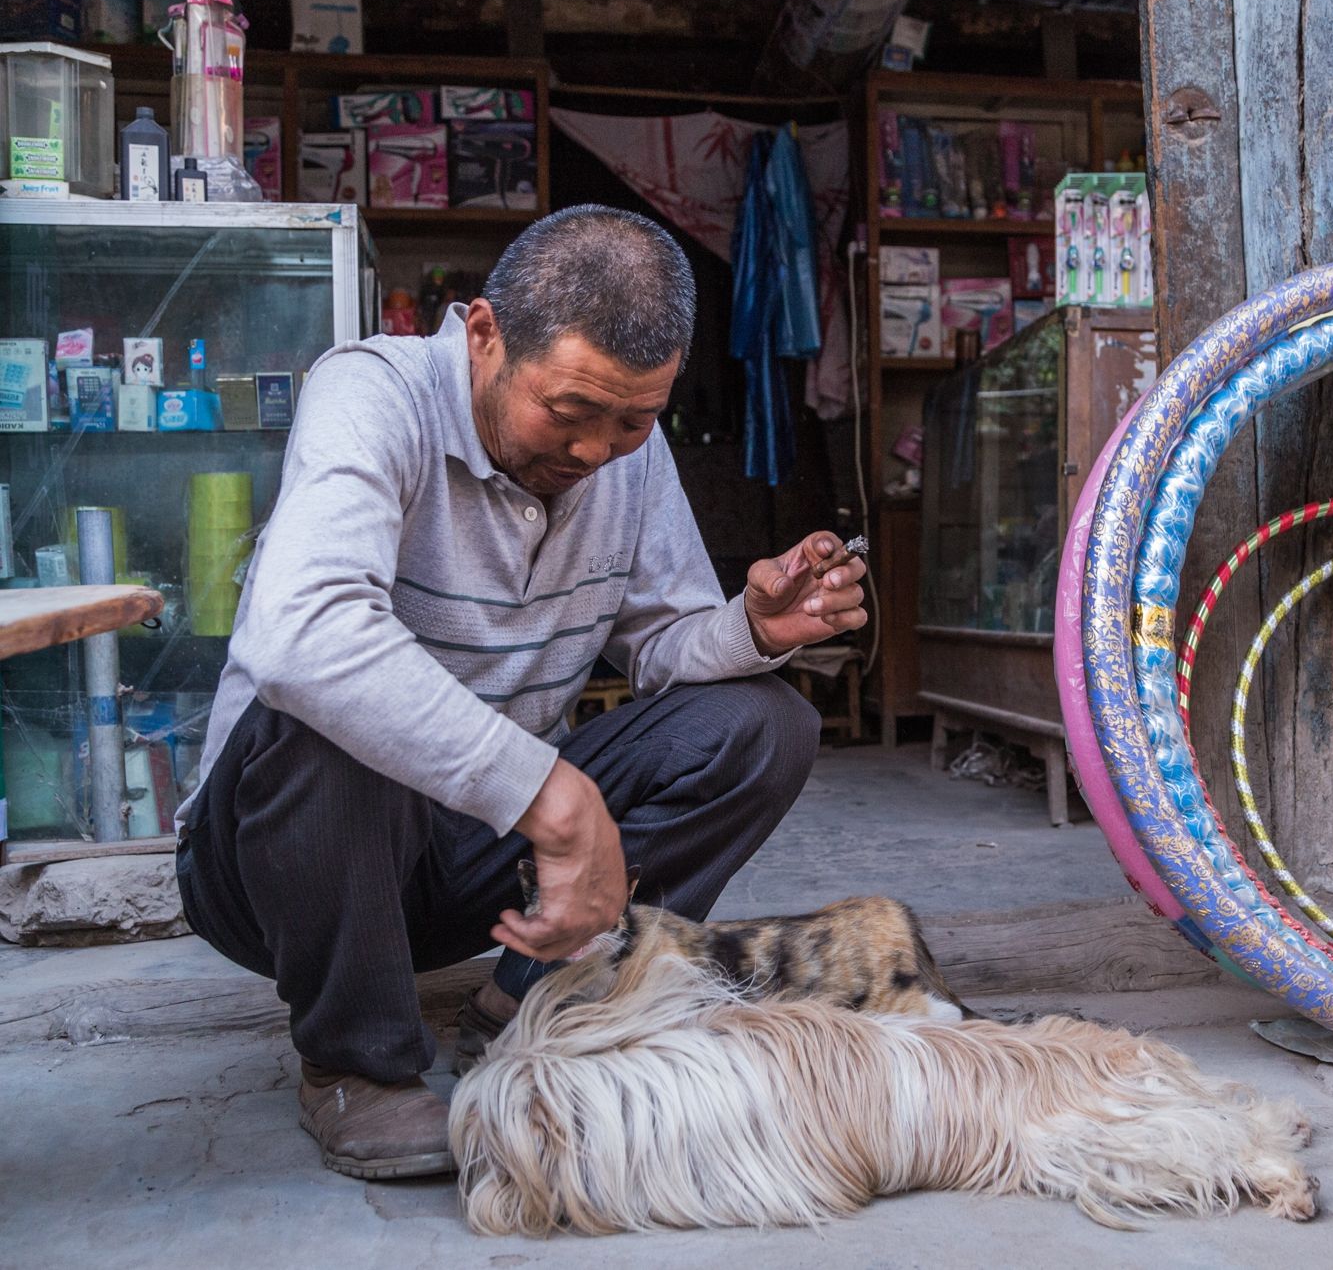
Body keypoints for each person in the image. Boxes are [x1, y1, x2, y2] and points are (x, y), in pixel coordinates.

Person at [173, 205, 864, 1180]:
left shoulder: (628, 450)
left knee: (762, 724)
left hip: (474, 860)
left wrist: (749, 630)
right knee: (323, 712)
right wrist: (550, 790)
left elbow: (663, 644)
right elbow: (300, 636)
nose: (594, 450)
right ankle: (356, 1063)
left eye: (633, 418)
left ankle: (537, 999)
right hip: (276, 869)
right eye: (570, 410)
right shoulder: (374, 393)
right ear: (483, 334)